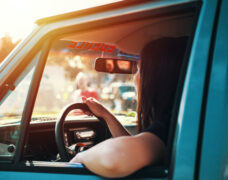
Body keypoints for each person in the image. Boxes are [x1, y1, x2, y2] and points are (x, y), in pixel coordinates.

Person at [70, 37, 188, 178]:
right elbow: (136, 148)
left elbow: (113, 158)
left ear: (155, 78)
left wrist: (77, 160)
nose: (134, 78)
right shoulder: (181, 120)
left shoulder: (169, 126)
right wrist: (106, 115)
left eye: (138, 69)